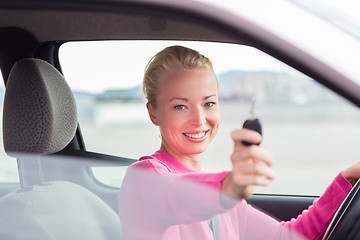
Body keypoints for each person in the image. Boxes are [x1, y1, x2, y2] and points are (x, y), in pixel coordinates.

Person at [118, 45, 360, 239]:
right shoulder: (145, 179)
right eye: (180, 106)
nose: (199, 119)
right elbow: (179, 194)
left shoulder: (227, 203)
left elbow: (286, 236)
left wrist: (347, 180)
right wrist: (232, 185)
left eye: (208, 103)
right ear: (154, 113)